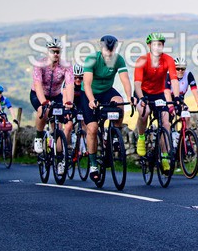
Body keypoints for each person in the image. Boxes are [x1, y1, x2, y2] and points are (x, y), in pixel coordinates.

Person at [81, 35, 133, 181]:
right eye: (106, 49)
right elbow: (87, 83)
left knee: (119, 102)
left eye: (111, 49)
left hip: (107, 91)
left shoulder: (118, 59)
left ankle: (114, 135)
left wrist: (130, 98)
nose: (109, 53)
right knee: (92, 128)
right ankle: (92, 164)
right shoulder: (92, 59)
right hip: (90, 93)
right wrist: (91, 100)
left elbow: (125, 80)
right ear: (101, 47)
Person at [133, 33, 180, 168]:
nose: (157, 47)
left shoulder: (168, 60)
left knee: (166, 123)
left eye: (160, 44)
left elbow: (174, 80)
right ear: (149, 46)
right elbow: (137, 83)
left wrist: (176, 98)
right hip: (142, 92)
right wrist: (141, 98)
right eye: (154, 44)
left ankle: (164, 157)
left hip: (159, 94)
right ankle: (141, 137)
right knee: (144, 111)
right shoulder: (142, 60)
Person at [30, 38, 74, 166]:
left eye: (58, 52)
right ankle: (39, 136)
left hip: (56, 95)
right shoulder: (39, 64)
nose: (56, 54)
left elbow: (70, 85)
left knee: (58, 128)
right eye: (53, 51)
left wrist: (69, 102)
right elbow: (37, 85)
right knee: (43, 110)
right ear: (47, 52)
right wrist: (43, 102)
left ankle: (60, 160)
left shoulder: (66, 66)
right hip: (38, 95)